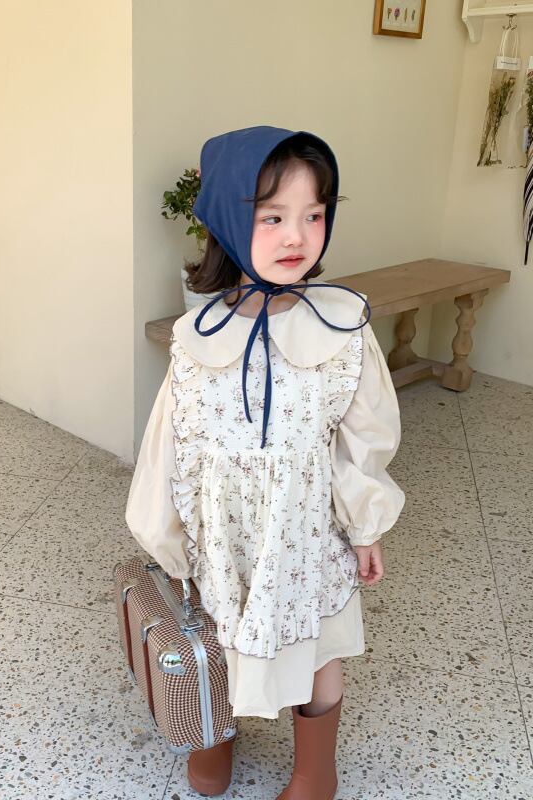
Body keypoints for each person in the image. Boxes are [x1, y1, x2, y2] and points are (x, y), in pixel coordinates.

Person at [126, 126, 405, 800]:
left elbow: (362, 438)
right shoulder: (197, 339)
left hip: (307, 532)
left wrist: (365, 524)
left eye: (314, 215)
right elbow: (169, 447)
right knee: (217, 635)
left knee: (322, 648)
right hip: (224, 536)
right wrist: (165, 536)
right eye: (272, 217)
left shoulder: (342, 328)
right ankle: (212, 733)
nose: (297, 236)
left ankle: (314, 772)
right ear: (227, 219)